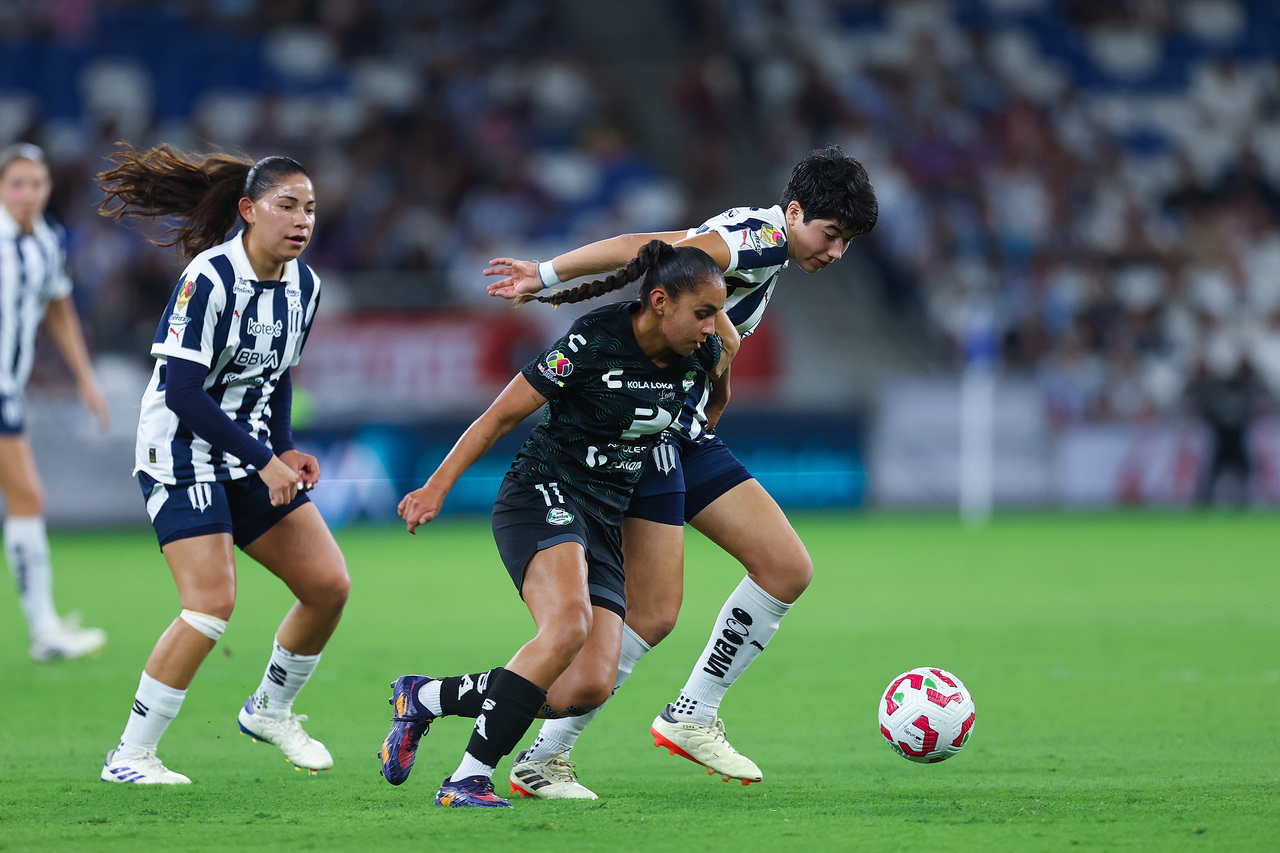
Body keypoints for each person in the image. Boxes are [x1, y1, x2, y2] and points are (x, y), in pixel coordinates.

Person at [484, 145, 877, 798]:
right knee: (658, 609)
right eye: (831, 235)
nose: (835, 253)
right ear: (797, 211)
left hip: (680, 432)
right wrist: (543, 275)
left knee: (777, 571)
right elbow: (652, 249)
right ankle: (521, 739)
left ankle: (678, 716)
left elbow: (660, 245)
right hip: (649, 431)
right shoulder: (754, 241)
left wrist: (547, 275)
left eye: (847, 244)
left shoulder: (762, 241)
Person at [378, 240, 732, 808]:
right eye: (704, 313)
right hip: (543, 492)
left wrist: (715, 382)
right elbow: (501, 415)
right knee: (566, 627)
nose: (713, 327)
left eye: (717, 314)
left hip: (604, 517)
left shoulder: (700, 354)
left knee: (586, 686)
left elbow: (713, 400)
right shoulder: (594, 339)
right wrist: (435, 488)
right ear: (660, 301)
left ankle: (426, 697)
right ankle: (467, 779)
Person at [94, 143, 349, 784]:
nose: (301, 220)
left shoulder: (305, 286)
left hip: (249, 455)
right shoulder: (209, 278)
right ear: (248, 210)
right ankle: (129, 756)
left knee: (327, 587)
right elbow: (180, 391)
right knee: (210, 604)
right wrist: (266, 458)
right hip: (180, 453)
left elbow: (279, 373)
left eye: (310, 209)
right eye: (286, 205)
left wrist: (283, 445)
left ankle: (270, 708)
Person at [0, 143, 110, 662]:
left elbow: (58, 307)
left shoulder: (44, 241)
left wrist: (85, 378)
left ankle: (45, 629)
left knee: (27, 501)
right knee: (28, 500)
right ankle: (44, 630)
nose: (26, 194)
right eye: (16, 184)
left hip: (8, 391)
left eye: (35, 184)